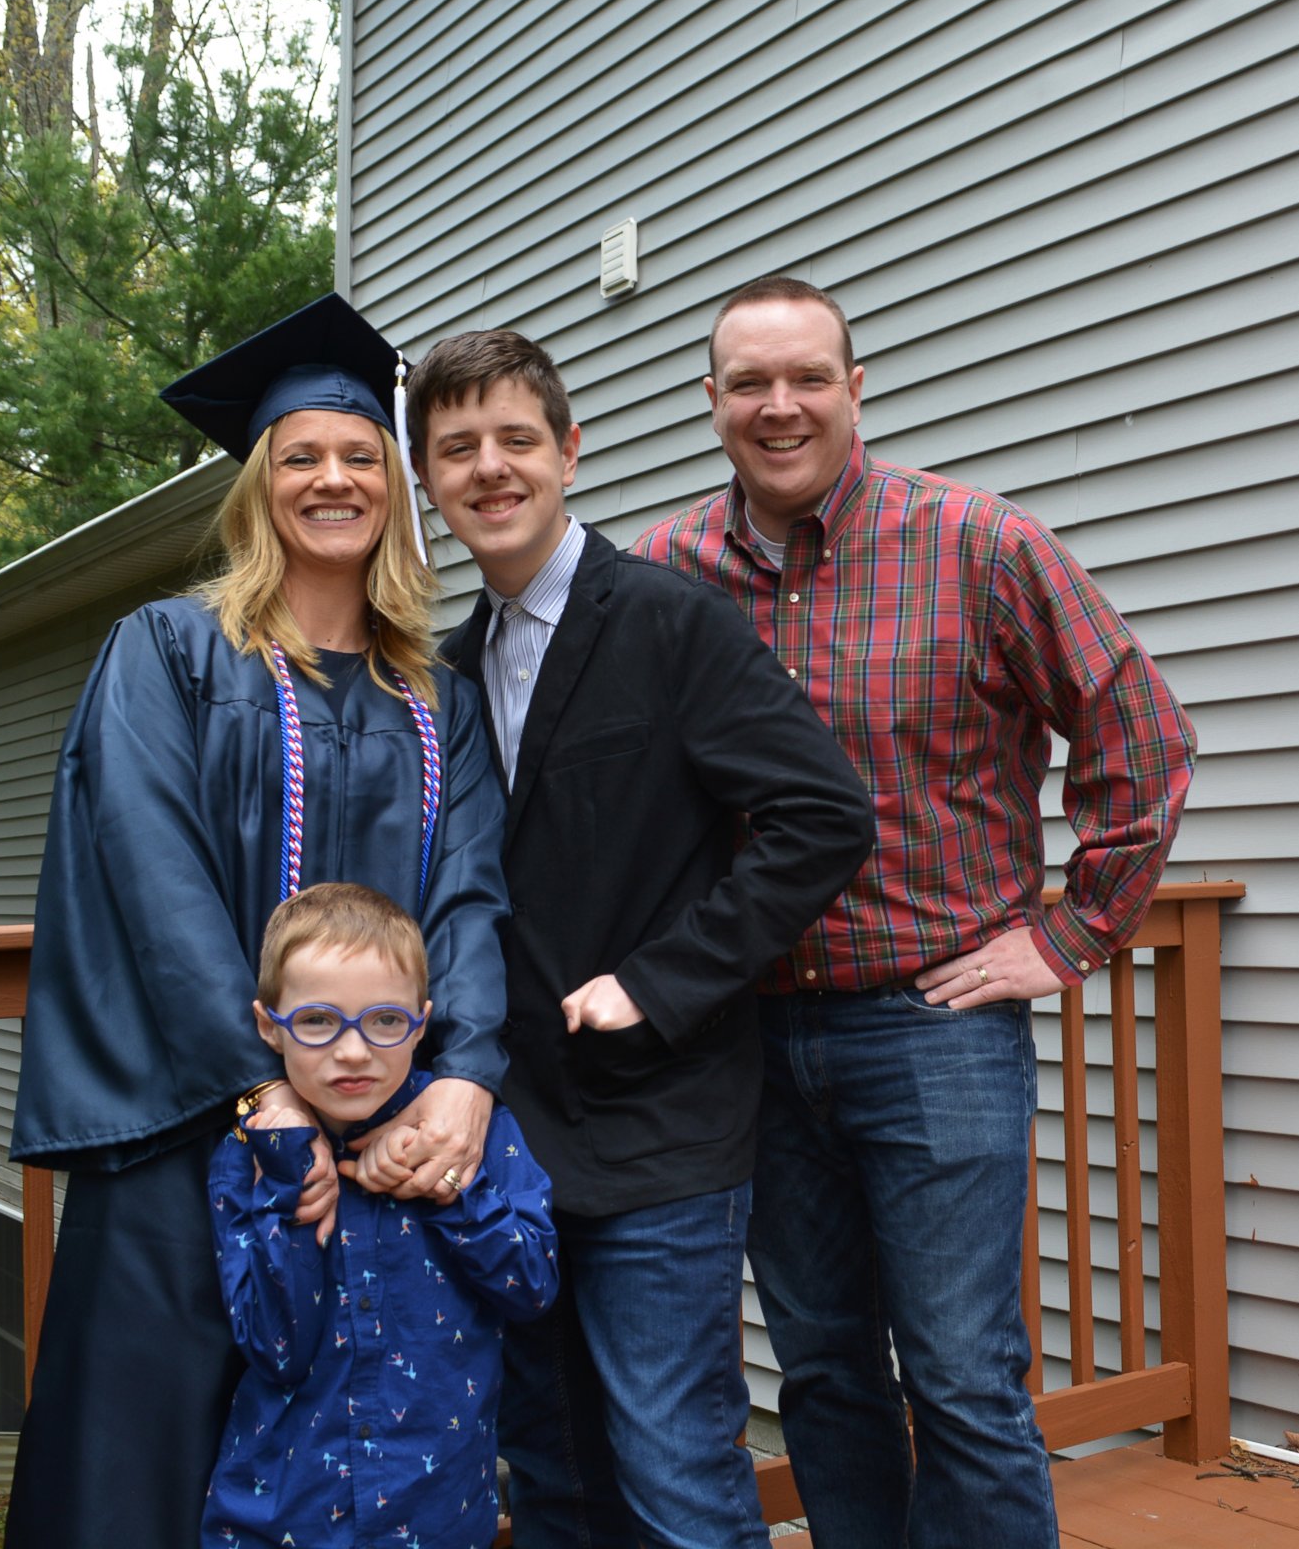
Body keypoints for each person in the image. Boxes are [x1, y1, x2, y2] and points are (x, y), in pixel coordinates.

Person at [631, 276, 1198, 1548]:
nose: (781, 407)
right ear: (710, 402)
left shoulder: (979, 545)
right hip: (751, 1041)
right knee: (824, 1372)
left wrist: (1069, 936)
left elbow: (1143, 739)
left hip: (933, 1030)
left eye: (808, 378)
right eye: (750, 384)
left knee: (960, 1378)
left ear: (855, 389)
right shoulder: (664, 576)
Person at [5, 293, 511, 1549]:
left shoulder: (438, 697)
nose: (332, 479)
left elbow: (472, 894)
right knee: (145, 1465)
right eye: (301, 458)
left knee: (352, 1466)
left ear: (390, 488)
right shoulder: (169, 654)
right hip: (194, 1130)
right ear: (259, 488)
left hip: (378, 1138)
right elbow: (147, 872)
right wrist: (256, 1088)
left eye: (358, 456)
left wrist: (468, 1080)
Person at [402, 329, 874, 1549]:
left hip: (662, 1121)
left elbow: (824, 816)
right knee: (552, 1468)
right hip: (512, 1136)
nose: (490, 469)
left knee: (674, 1468)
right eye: (458, 449)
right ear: (429, 482)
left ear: (569, 450)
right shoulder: (453, 671)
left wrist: (658, 984)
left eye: (516, 439)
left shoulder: (671, 623)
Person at [207, 881, 558, 1549]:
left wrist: (450, 1190)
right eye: (316, 1020)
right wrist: (289, 1190)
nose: (353, 1051)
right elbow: (274, 1347)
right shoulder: (246, 1159)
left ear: (421, 1023)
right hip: (284, 1516)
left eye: (385, 1021)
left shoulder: (474, 1134)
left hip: (437, 1515)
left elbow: (532, 1284)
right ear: (266, 1025)